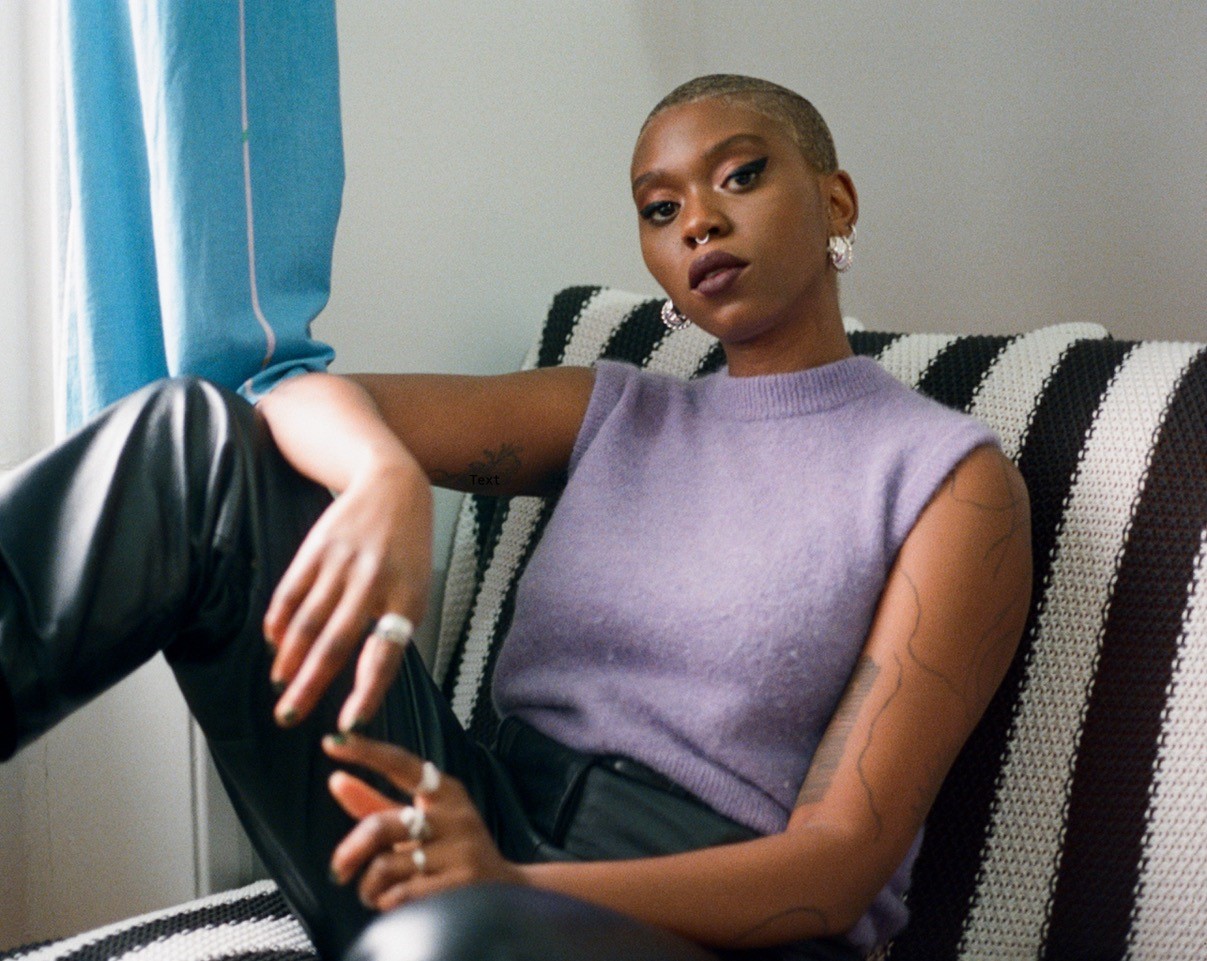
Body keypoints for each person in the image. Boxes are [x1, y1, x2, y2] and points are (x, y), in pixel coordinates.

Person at [0, 75, 1031, 961]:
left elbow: (839, 866)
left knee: (448, 939)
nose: (698, 223)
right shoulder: (617, 409)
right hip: (466, 816)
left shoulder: (944, 480)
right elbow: (283, 402)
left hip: (690, 920)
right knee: (196, 445)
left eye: (740, 174)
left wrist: (511, 884)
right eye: (658, 207)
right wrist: (383, 482)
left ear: (835, 198)